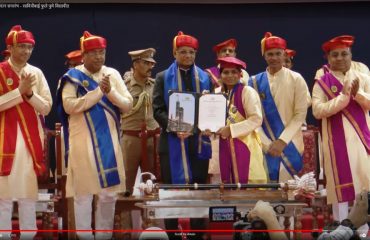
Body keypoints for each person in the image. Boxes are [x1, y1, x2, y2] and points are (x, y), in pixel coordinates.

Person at [56, 31, 133, 240]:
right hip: (82, 142)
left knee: (108, 194)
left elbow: (127, 105)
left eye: (102, 52)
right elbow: (69, 106)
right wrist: (98, 92)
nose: (99, 57)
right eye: (93, 53)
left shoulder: (113, 74)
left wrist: (110, 92)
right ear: (83, 54)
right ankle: (84, 236)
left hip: (108, 141)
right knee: (83, 193)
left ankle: (103, 236)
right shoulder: (72, 77)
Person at [152, 31, 211, 239]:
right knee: (170, 191)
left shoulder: (205, 77)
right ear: (174, 53)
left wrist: (192, 129)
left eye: (191, 52)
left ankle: (197, 233)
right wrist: (175, 127)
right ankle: (171, 234)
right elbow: (157, 109)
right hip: (171, 141)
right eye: (183, 52)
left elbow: (209, 109)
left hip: (197, 142)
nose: (187, 56)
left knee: (198, 189)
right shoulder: (161, 77)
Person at [0, 25, 52, 240]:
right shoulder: (1, 71)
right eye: (21, 46)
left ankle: (28, 235)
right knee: (2, 195)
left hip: (31, 142)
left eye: (30, 47)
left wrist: (29, 94)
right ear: (10, 48)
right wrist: (18, 92)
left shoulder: (36, 73)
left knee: (28, 194)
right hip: (4, 139)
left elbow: (47, 107)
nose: (26, 51)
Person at [312, 35, 370, 226]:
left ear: (350, 55)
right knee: (340, 189)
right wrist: (343, 99)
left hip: (362, 139)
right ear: (328, 59)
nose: (340, 58)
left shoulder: (363, 77)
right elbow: (318, 111)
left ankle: (364, 229)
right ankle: (340, 229)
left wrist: (358, 95)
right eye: (334, 55)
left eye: (344, 54)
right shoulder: (322, 81)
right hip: (335, 143)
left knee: (365, 183)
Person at [249, 32, 310, 183]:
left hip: (291, 145)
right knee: (266, 191)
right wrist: (267, 143)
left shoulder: (297, 79)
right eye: (270, 54)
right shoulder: (254, 81)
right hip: (263, 144)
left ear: (284, 55)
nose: (274, 58)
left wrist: (282, 141)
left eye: (278, 53)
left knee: (288, 191)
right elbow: (252, 117)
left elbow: (300, 115)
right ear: (264, 56)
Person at [120, 48, 160, 237]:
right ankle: (125, 231)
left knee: (152, 185)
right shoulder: (124, 84)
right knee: (125, 188)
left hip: (152, 139)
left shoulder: (155, 85)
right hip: (131, 138)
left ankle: (151, 228)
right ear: (136, 64)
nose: (150, 66)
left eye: (152, 63)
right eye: (146, 62)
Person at [215, 56, 267, 184]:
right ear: (221, 75)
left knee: (249, 182)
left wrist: (231, 129)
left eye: (234, 72)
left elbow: (256, 119)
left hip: (247, 143)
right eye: (226, 72)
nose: (230, 75)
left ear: (240, 74)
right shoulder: (218, 95)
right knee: (228, 183)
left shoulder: (247, 91)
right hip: (224, 145)